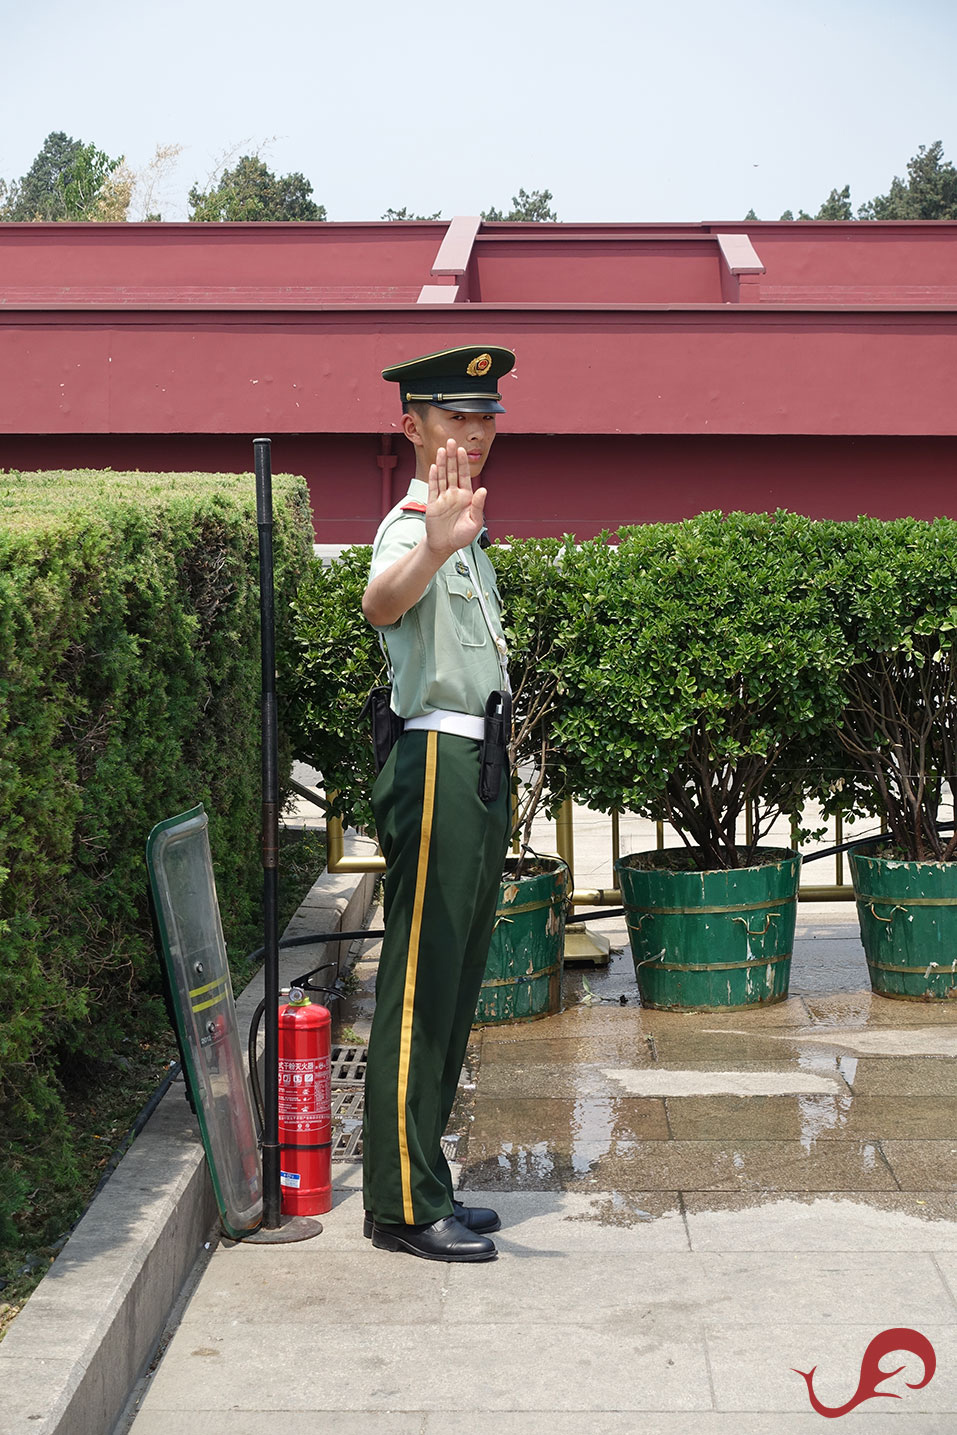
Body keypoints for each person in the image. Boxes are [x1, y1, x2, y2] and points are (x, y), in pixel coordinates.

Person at [360, 344, 516, 1262]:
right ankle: (402, 1206)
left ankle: (427, 1179)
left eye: (486, 416)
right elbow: (383, 601)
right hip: (436, 762)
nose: (475, 433)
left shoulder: (461, 524)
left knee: (452, 990)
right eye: (456, 418)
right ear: (412, 425)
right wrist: (431, 545)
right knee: (418, 986)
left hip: (477, 765)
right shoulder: (414, 524)